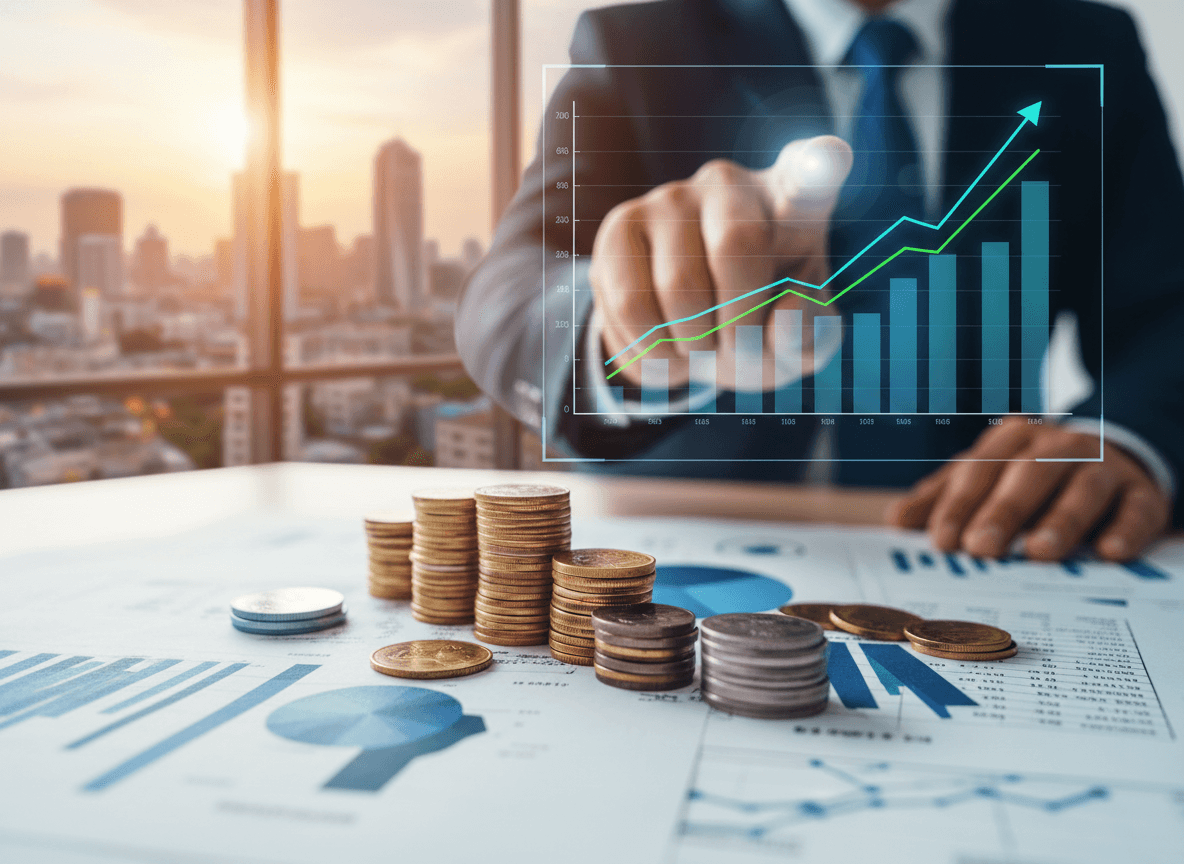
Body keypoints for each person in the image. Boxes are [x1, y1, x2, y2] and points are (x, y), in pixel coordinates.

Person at [457, 0, 1184, 562]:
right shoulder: (635, 42)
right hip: (681, 550)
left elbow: (1166, 311)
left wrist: (1123, 436)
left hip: (977, 540)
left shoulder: (1089, 46)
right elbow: (509, 293)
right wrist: (620, 324)